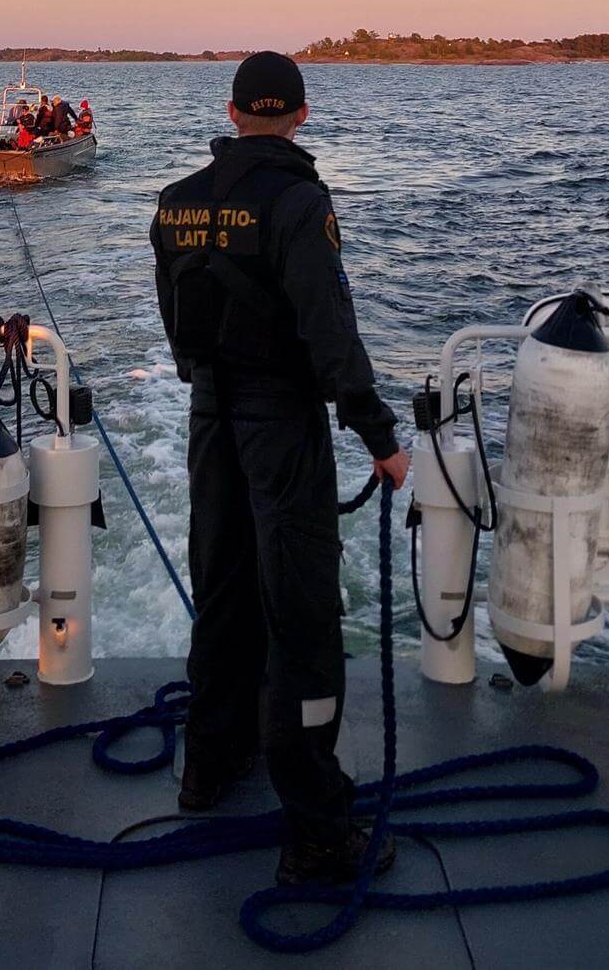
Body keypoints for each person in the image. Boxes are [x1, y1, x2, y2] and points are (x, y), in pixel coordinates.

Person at [148, 51, 409, 888]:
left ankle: (208, 766)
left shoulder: (175, 204)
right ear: (301, 115)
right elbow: (329, 332)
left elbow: (174, 321)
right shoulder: (301, 202)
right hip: (278, 425)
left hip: (209, 419)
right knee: (299, 609)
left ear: (231, 114)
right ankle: (318, 828)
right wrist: (378, 435)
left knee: (221, 587)